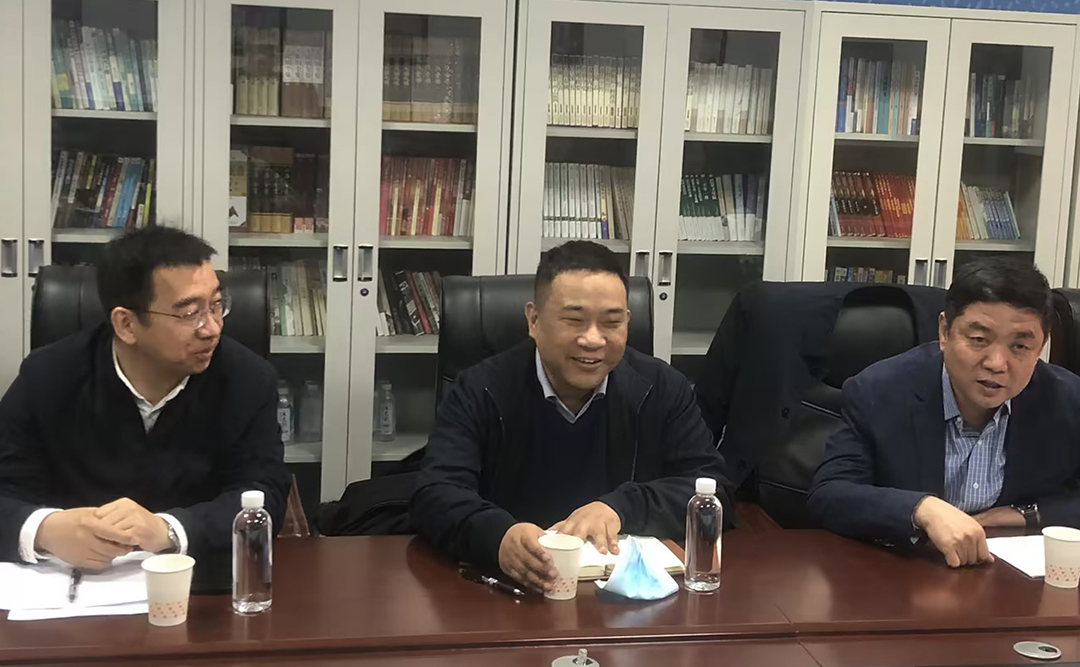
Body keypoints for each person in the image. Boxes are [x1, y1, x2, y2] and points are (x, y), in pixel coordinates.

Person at [410, 241, 733, 592]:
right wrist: (497, 536)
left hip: (627, 598)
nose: (593, 340)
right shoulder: (479, 388)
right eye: (574, 320)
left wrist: (621, 507)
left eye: (612, 322)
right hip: (509, 594)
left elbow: (713, 493)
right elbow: (435, 493)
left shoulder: (663, 388)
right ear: (534, 320)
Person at [0, 226, 290, 570]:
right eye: (189, 313)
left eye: (216, 305)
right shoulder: (48, 376)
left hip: (194, 583)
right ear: (126, 324)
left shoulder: (248, 380)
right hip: (72, 584)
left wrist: (168, 530)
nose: (211, 328)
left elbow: (263, 495)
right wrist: (45, 530)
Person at [808, 257, 1080, 568]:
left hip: (1010, 579)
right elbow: (830, 494)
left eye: (1019, 347)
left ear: (1041, 347)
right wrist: (921, 509)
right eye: (979, 340)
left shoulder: (1067, 400)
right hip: (904, 574)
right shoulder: (879, 391)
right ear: (944, 332)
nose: (997, 363)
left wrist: (1025, 515)